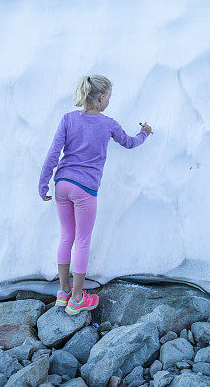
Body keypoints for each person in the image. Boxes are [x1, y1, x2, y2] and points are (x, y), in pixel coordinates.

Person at [39, 75, 152, 315]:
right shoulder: (108, 123)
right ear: (101, 98)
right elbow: (130, 143)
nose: (109, 101)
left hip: (62, 184)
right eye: (109, 97)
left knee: (66, 236)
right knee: (82, 241)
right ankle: (78, 298)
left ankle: (63, 291)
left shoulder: (68, 119)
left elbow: (52, 154)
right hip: (85, 189)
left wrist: (43, 183)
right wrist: (145, 133)